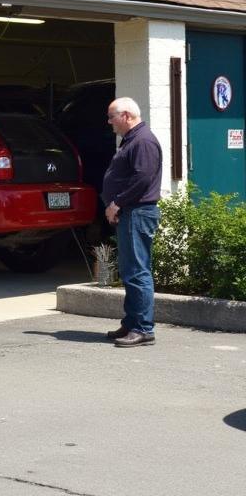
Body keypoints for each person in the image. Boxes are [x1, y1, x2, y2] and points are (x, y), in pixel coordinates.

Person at [101, 97, 162, 348]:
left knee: (137, 271)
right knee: (130, 271)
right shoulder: (132, 140)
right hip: (131, 213)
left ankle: (143, 329)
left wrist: (117, 203)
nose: (109, 122)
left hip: (137, 212)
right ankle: (131, 322)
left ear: (126, 115)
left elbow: (142, 179)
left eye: (111, 116)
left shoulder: (143, 141)